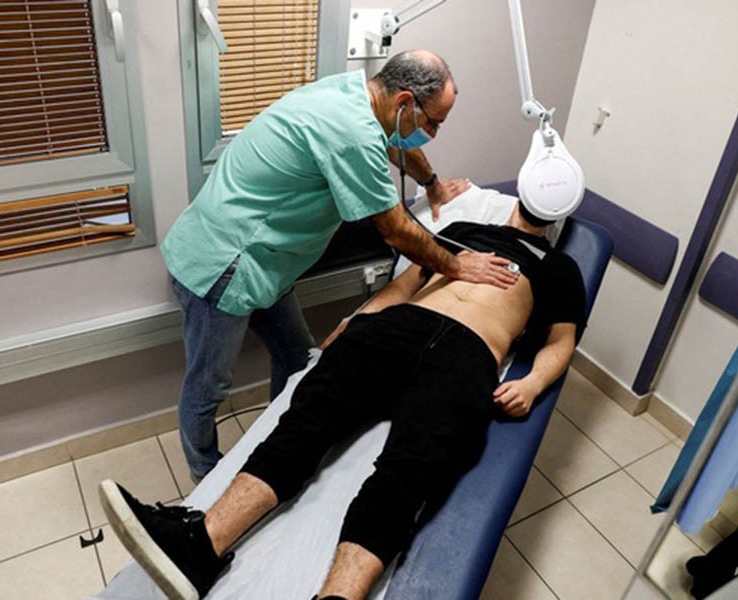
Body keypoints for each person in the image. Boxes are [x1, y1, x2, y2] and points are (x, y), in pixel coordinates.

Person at [100, 198, 587, 600]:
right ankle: (198, 546)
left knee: (411, 468)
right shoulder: (461, 228)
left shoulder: (561, 269)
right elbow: (404, 285)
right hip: (396, 328)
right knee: (306, 422)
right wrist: (359, 319)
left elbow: (560, 341)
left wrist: (530, 383)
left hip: (470, 352)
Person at [161, 49, 518, 481]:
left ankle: (274, 446)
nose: (434, 134)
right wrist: (458, 266)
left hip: (267, 264)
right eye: (433, 123)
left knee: (298, 357)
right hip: (224, 263)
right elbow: (397, 231)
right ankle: (206, 477)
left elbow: (393, 142)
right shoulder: (351, 132)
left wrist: (434, 185)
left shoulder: (355, 92)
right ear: (405, 101)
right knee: (208, 387)